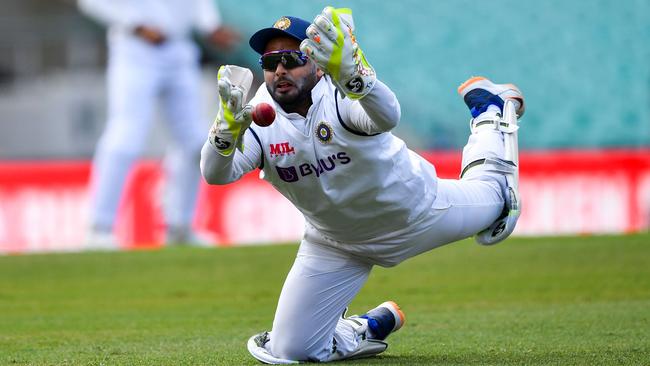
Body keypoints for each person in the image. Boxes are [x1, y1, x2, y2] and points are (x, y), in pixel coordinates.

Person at [200, 7, 525, 363]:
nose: (280, 69)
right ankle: (364, 328)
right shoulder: (258, 117)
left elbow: (387, 116)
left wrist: (355, 76)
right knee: (290, 351)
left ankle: (490, 112)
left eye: (293, 58)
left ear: (319, 64)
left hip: (416, 214)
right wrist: (223, 135)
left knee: (498, 203)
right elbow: (216, 174)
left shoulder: (341, 96)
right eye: (271, 60)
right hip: (335, 243)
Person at [78, 0, 240, 249]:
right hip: (135, 49)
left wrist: (211, 27)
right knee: (125, 137)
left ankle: (180, 228)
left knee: (195, 142)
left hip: (180, 49)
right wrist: (137, 25)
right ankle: (99, 228)